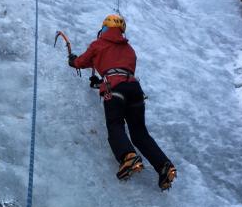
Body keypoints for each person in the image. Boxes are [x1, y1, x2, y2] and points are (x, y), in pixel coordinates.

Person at [68, 14, 177, 190]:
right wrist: (100, 82)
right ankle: (164, 166)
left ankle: (128, 157)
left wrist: (73, 60)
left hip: (115, 89)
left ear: (105, 28)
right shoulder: (130, 50)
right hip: (134, 90)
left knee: (115, 125)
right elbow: (119, 70)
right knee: (140, 133)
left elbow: (82, 62)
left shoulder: (98, 44)